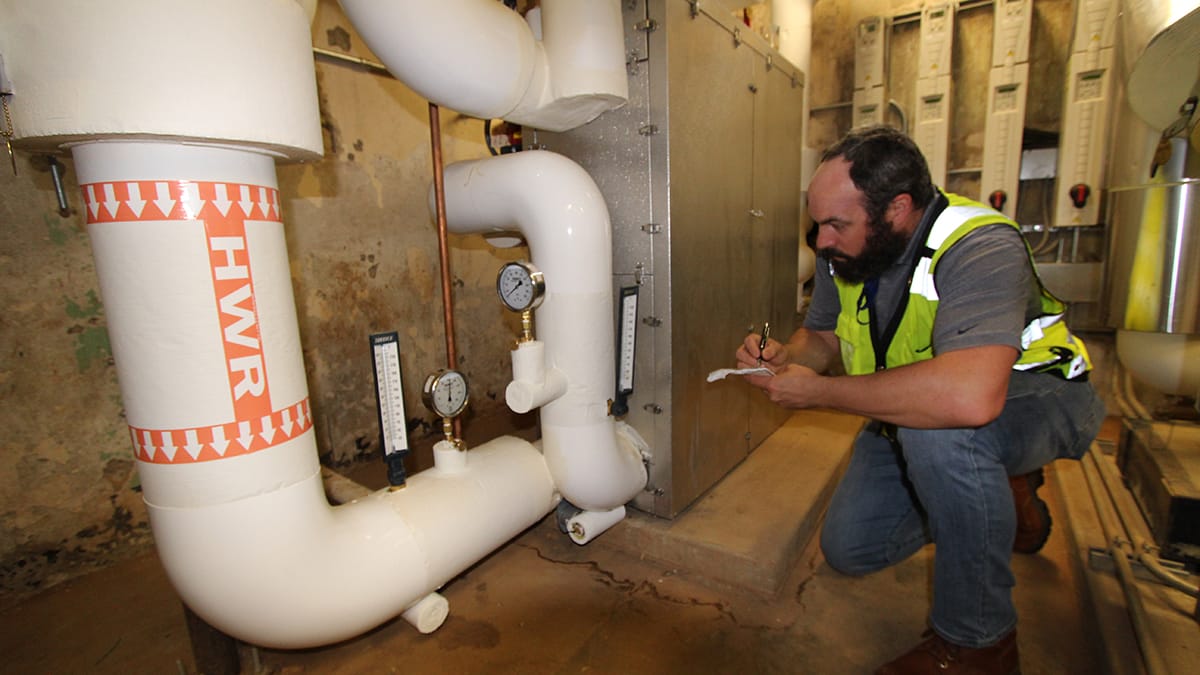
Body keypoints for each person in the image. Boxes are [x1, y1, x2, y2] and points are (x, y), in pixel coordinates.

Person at [736, 125, 1105, 675]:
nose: (822, 242)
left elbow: (970, 399)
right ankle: (1000, 485)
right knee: (852, 549)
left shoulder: (979, 244)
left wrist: (821, 394)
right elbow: (823, 339)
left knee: (946, 435)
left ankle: (980, 643)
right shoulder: (848, 255)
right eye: (818, 224)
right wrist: (785, 360)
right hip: (918, 412)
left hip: (1040, 393)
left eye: (836, 224)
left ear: (899, 209)